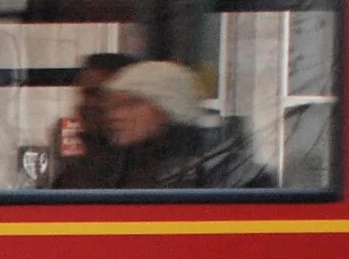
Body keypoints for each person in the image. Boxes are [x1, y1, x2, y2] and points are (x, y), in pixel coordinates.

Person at [97, 59, 275, 190]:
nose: (115, 116)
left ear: (166, 109)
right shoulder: (121, 167)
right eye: (112, 107)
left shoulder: (229, 171)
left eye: (128, 104)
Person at [47, 52, 136, 189]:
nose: (85, 104)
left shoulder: (136, 167)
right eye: (83, 94)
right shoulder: (83, 167)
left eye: (98, 94)